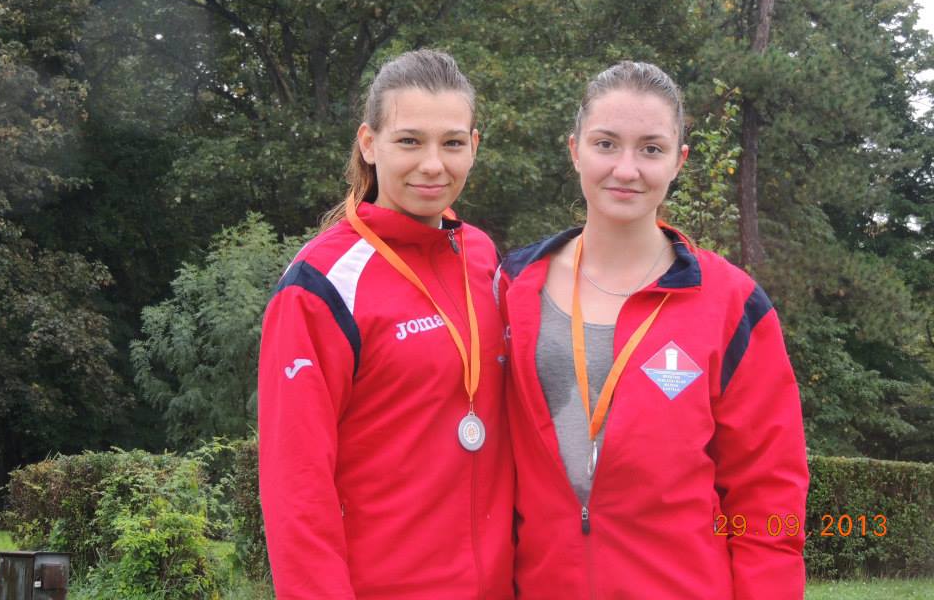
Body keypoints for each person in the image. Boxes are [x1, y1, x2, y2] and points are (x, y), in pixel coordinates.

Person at [496, 61, 808, 599]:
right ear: (574, 150)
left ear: (678, 161)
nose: (626, 169)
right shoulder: (510, 288)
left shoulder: (731, 304)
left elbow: (768, 494)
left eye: (651, 149)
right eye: (606, 144)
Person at [258, 49, 513, 600]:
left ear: (474, 145)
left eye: (452, 143)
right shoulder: (320, 284)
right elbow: (296, 488)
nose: (433, 164)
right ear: (369, 144)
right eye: (409, 141)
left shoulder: (483, 257)